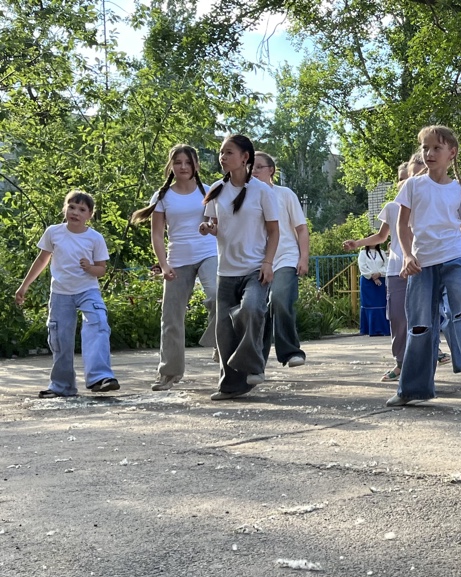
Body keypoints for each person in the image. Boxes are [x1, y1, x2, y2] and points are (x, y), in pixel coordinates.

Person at [386, 125, 461, 406]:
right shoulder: (412, 186)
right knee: (420, 325)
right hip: (423, 263)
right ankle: (411, 389)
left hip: (456, 257)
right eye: (425, 148)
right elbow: (402, 226)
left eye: (436, 148)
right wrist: (407, 256)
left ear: (451, 153)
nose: (429, 153)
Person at [343, 156, 457, 382]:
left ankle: (430, 357)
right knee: (397, 317)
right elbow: (382, 236)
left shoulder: (429, 204)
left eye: (412, 176)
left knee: (426, 316)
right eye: (402, 178)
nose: (405, 181)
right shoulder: (392, 207)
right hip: (397, 269)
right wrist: (358, 243)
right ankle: (401, 363)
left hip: (423, 268)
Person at [15, 191, 120, 397]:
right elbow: (42, 260)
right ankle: (62, 386)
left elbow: (101, 269)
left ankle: (100, 377)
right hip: (61, 292)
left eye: (82, 209)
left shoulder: (95, 238)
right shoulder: (53, 232)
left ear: (89, 215)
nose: (75, 212)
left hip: (88, 290)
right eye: (71, 207)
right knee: (60, 338)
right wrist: (24, 286)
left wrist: (90, 267)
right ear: (65, 209)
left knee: (98, 323)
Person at [132, 145, 218, 391]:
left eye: (188, 162)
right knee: (171, 317)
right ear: (171, 166)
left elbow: (217, 223)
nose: (183, 167)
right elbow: (157, 235)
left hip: (208, 253)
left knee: (218, 296)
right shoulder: (162, 197)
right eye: (178, 162)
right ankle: (169, 372)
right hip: (177, 260)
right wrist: (164, 264)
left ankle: (219, 343)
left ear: (196, 165)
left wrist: (209, 226)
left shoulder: (208, 191)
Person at [200, 134, 280, 401]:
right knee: (224, 332)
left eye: (229, 152)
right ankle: (231, 386)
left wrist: (268, 263)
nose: (222, 157)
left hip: (255, 269)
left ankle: (253, 366)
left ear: (245, 157)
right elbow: (215, 225)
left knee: (252, 308)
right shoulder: (217, 189)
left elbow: (274, 231)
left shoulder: (263, 191)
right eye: (221, 152)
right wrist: (208, 228)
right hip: (226, 271)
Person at [251, 152, 309, 366]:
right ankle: (257, 362)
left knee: (279, 299)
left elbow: (301, 228)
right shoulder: (246, 197)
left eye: (258, 167)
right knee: (258, 309)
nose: (253, 171)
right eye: (250, 167)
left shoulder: (285, 194)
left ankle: (291, 352)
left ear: (271, 170)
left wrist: (304, 257)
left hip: (286, 257)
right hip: (257, 260)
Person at [357, 243, 390, 336]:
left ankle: (382, 329)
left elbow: (386, 265)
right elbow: (362, 267)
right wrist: (372, 276)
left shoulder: (382, 253)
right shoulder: (363, 253)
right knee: (369, 304)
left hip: (380, 280)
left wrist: (379, 273)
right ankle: (369, 329)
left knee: (381, 303)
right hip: (368, 281)